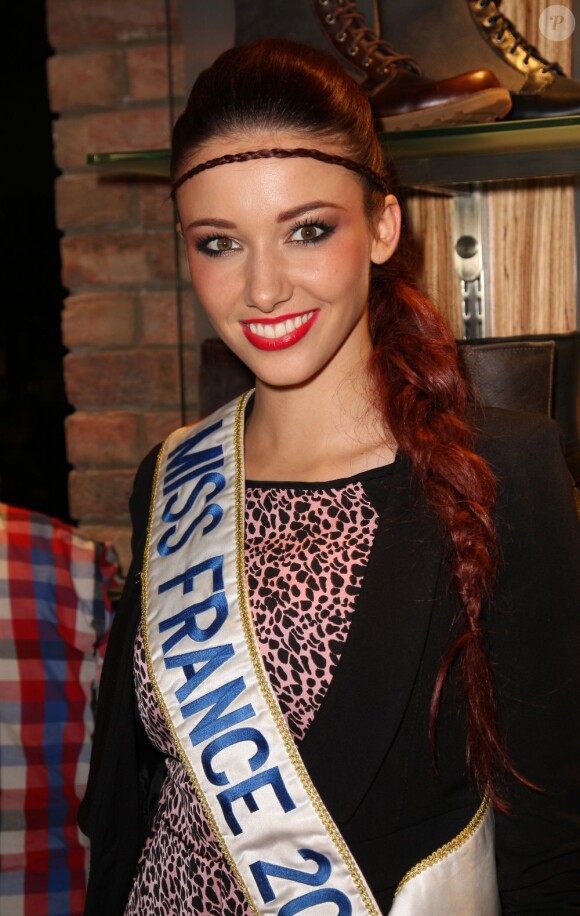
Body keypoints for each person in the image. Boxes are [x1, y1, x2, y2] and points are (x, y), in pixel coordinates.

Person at [78, 38, 580, 915]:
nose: (264, 288)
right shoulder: (174, 476)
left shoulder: (503, 471)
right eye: (219, 242)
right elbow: (130, 804)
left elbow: (551, 843)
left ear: (383, 226)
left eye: (308, 229)